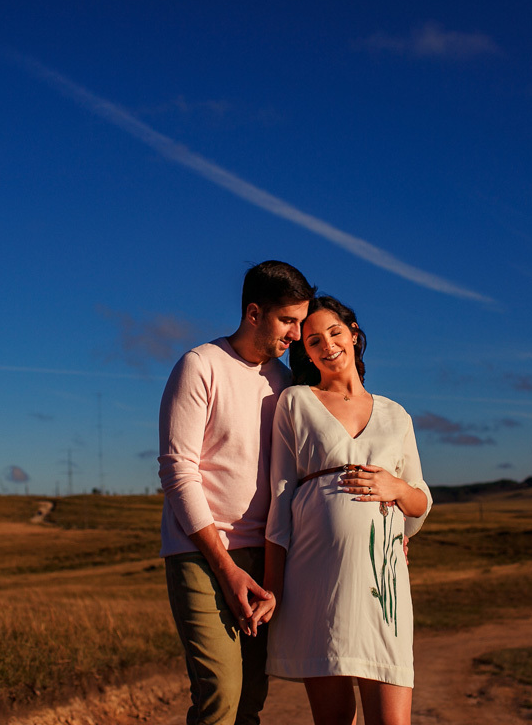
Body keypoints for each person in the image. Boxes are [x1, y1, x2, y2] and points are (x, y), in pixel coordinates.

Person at [256, 295, 432, 725]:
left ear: (353, 334)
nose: (327, 345)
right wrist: (273, 586)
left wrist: (396, 487)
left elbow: (420, 503)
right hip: (317, 581)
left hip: (384, 583)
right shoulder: (296, 401)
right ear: (306, 351)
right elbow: (280, 498)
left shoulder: (396, 415)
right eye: (314, 340)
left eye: (335, 333)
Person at [158, 260, 316, 725]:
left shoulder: (285, 384)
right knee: (220, 696)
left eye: (301, 322)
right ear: (253, 313)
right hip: (200, 553)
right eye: (287, 320)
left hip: (263, 557)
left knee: (250, 700)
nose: (296, 334)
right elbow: (177, 471)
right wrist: (226, 568)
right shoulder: (199, 365)